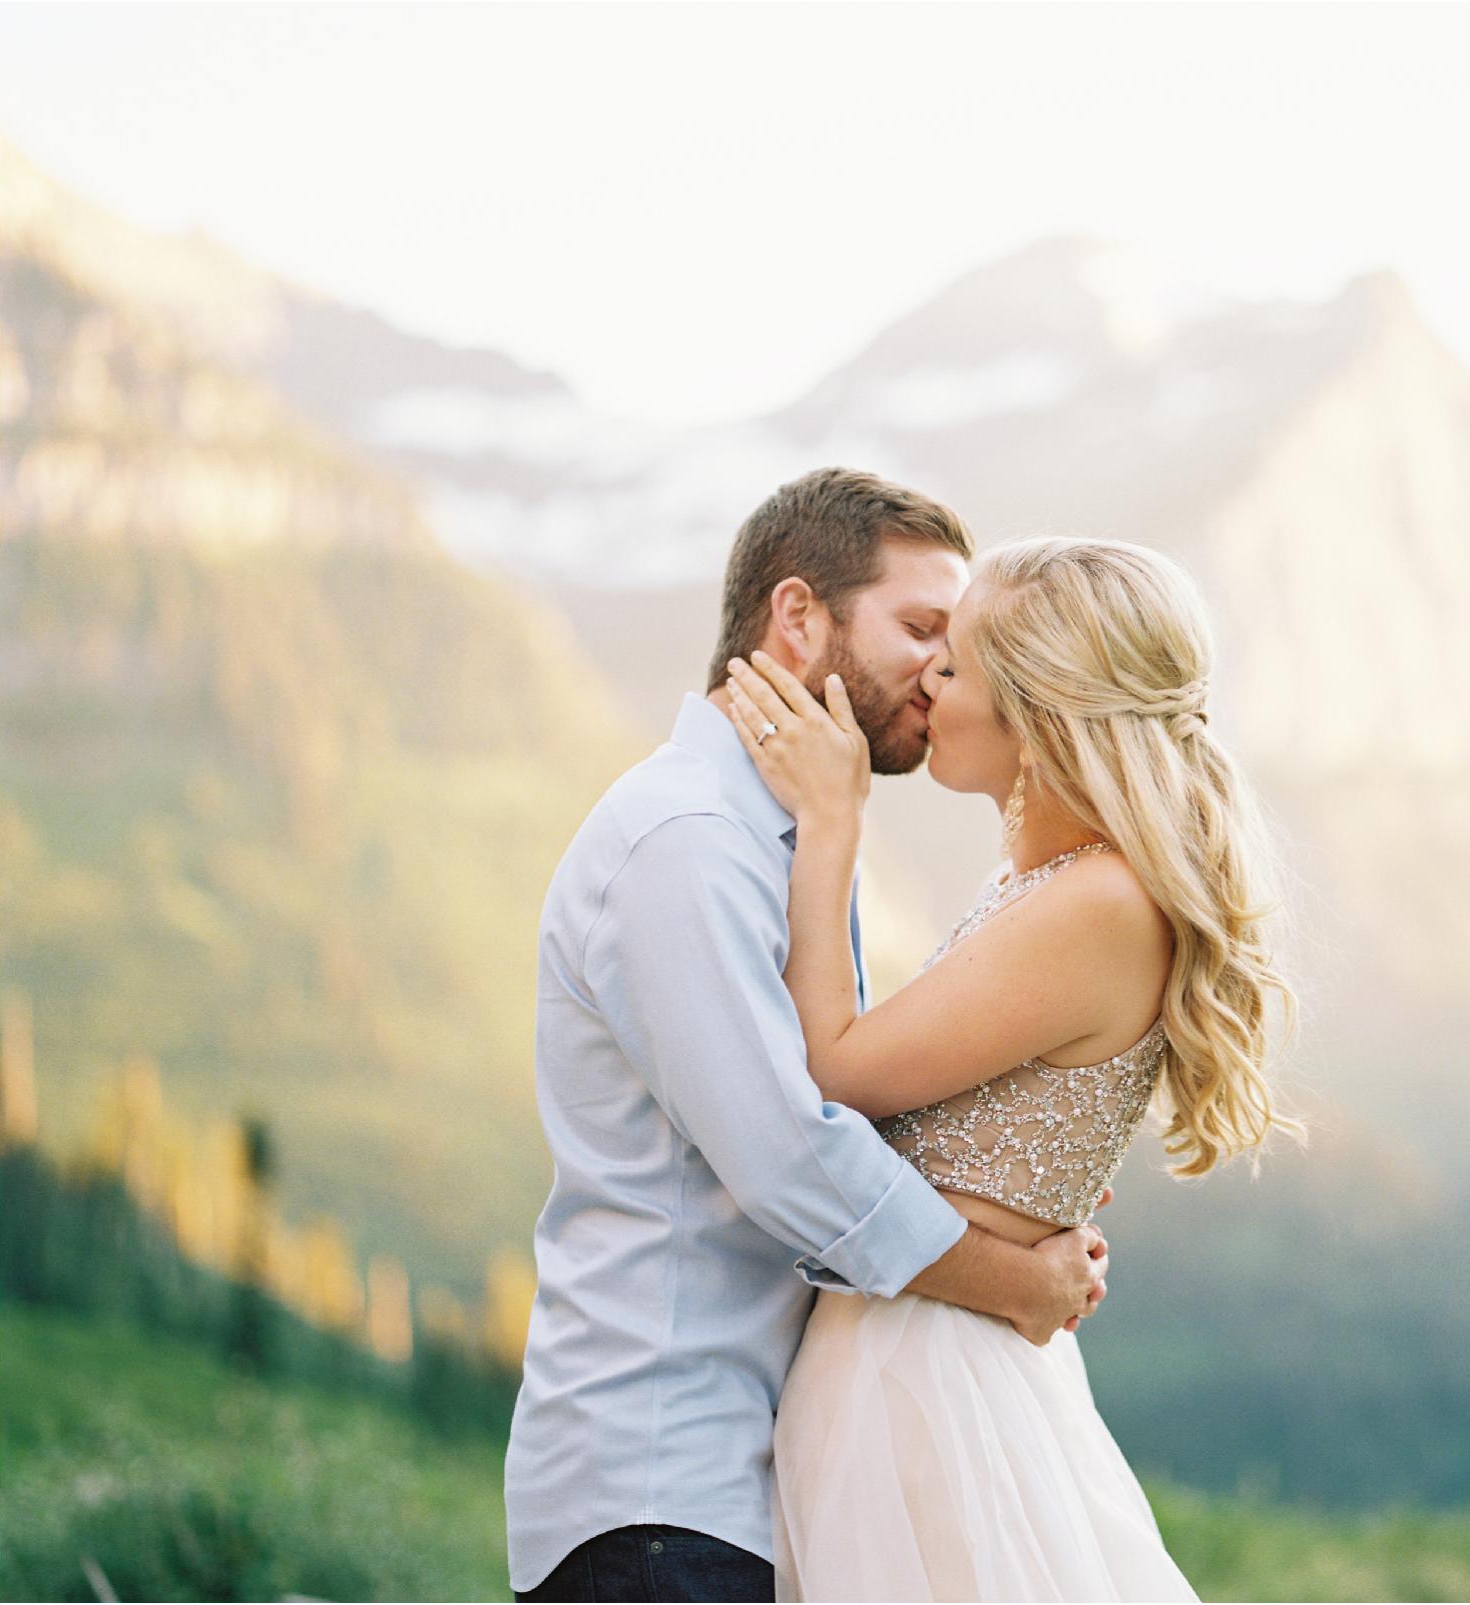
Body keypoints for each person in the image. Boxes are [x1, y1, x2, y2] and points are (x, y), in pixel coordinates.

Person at [504, 471, 1117, 1603]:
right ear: (798, 619)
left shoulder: (780, 836)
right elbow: (794, 1158)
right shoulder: (685, 842)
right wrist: (1013, 1282)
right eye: (919, 629)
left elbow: (851, 1115)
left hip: (742, 1485)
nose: (941, 670)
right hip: (660, 1490)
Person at [721, 534, 1306, 1602]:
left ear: (1035, 714)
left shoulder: (1094, 905)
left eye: (955, 666)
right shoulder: (1061, 884)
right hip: (918, 1357)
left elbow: (838, 1075)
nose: (927, 682)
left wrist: (830, 819)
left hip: (928, 1385)